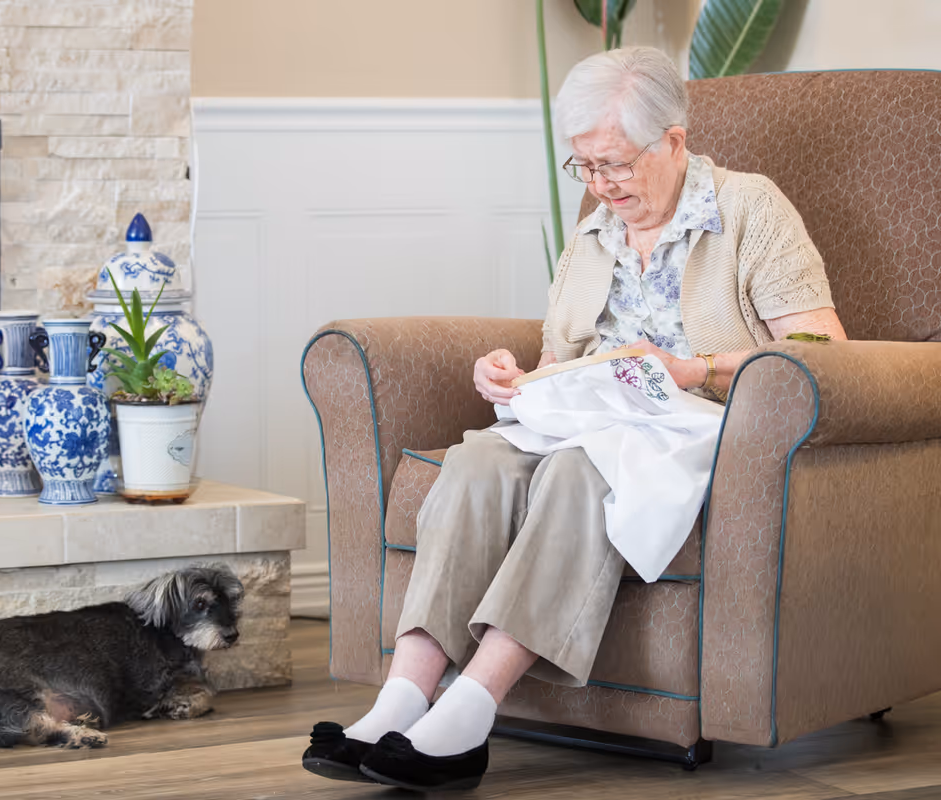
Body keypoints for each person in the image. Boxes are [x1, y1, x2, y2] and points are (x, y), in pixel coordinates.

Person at [302, 46, 849, 792]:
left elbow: (824, 350)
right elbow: (562, 355)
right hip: (597, 415)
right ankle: (402, 697)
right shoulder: (597, 229)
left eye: (615, 165)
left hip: (702, 425)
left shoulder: (750, 208)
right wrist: (510, 377)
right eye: (584, 167)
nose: (599, 186)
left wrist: (696, 370)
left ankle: (469, 711)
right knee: (476, 460)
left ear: (674, 142)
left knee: (576, 472)